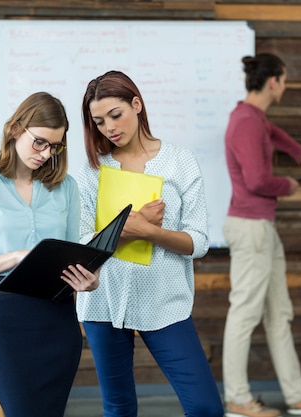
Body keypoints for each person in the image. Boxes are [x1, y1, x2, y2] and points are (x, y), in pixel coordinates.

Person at [76, 70, 224, 417]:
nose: (109, 128)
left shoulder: (179, 161)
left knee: (205, 407)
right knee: (119, 407)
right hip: (103, 302)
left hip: (165, 301)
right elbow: (83, 241)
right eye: (99, 122)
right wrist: (127, 228)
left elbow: (198, 241)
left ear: (137, 105)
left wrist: (151, 232)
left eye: (116, 114)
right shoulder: (91, 171)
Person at [0, 91, 100, 417]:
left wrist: (89, 280)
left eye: (55, 146)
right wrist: (17, 257)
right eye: (40, 142)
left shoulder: (67, 187)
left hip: (58, 322)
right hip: (7, 322)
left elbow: (74, 254)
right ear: (16, 129)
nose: (46, 154)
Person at [222, 52, 301, 417]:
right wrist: (291, 184)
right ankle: (238, 399)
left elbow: (274, 134)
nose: (286, 86)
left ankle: (297, 394)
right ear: (273, 81)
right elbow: (259, 181)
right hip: (251, 228)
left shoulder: (254, 118)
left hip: (262, 228)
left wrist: (300, 152)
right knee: (244, 314)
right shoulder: (245, 121)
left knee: (280, 314)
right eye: (285, 80)